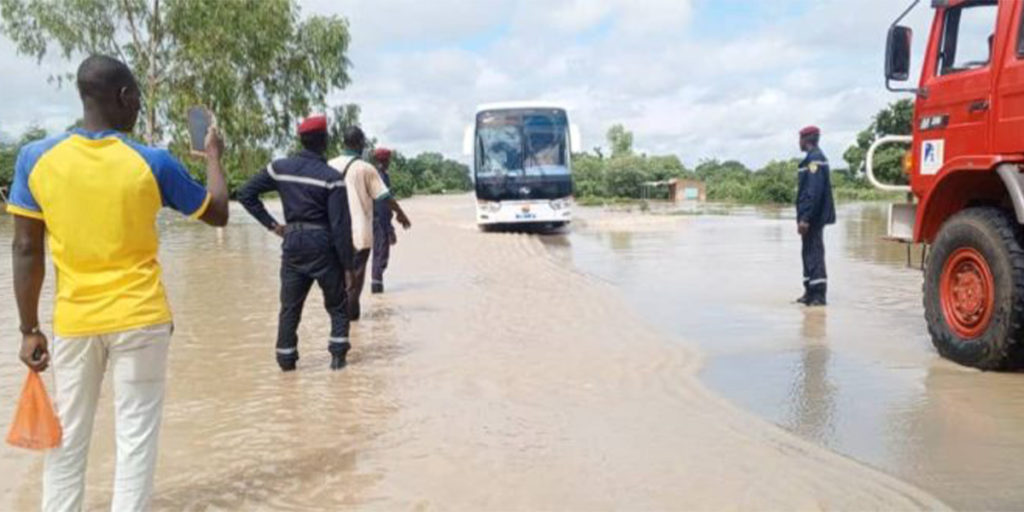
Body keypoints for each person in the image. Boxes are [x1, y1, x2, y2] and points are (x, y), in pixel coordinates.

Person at [8, 54, 229, 511]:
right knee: (135, 441)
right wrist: (212, 157)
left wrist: (29, 328)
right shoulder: (152, 162)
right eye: (137, 99)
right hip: (141, 319)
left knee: (65, 441)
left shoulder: (35, 159)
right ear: (125, 97)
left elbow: (27, 249)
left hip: (74, 322)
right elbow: (218, 212)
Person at [237, 115, 354, 372]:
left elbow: (246, 194)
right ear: (324, 141)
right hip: (323, 244)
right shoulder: (332, 177)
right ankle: (338, 362)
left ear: (301, 140)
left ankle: (286, 366)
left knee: (290, 308)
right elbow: (340, 227)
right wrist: (348, 266)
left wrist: (272, 225)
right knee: (337, 306)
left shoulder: (279, 168)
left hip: (292, 243)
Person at [328, 127, 411, 320]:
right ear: (361, 144)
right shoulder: (365, 168)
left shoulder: (328, 165)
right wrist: (401, 214)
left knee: (340, 280)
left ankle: (343, 327)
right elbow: (385, 197)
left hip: (332, 233)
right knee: (355, 283)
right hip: (359, 234)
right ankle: (351, 322)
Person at [795, 126, 836, 307]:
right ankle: (809, 291)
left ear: (806, 140)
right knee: (808, 253)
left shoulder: (815, 160)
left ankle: (818, 296)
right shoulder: (811, 159)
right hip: (810, 216)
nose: (798, 143)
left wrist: (805, 218)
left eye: (800, 139)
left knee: (814, 253)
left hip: (813, 218)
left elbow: (813, 192)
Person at [371, 148, 398, 294]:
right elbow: (382, 205)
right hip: (380, 221)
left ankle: (377, 292)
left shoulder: (374, 174)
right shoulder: (381, 177)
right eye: (389, 159)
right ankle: (377, 289)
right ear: (385, 160)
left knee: (377, 255)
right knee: (380, 255)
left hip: (373, 219)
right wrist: (389, 229)